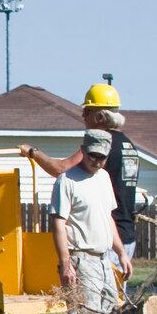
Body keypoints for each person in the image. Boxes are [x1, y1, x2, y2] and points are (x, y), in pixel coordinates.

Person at [19, 83, 143, 268]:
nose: (83, 116)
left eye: (87, 111)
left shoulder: (102, 144)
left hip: (105, 239)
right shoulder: (128, 144)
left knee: (94, 294)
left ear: (100, 116)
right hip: (125, 235)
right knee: (114, 296)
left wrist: (32, 152)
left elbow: (60, 169)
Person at [48, 129, 133, 314]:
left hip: (104, 259)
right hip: (81, 259)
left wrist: (121, 254)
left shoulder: (103, 178)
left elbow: (108, 219)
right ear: (83, 151)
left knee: (110, 310)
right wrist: (66, 263)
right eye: (92, 155)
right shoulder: (67, 180)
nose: (96, 161)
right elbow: (58, 224)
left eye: (101, 157)